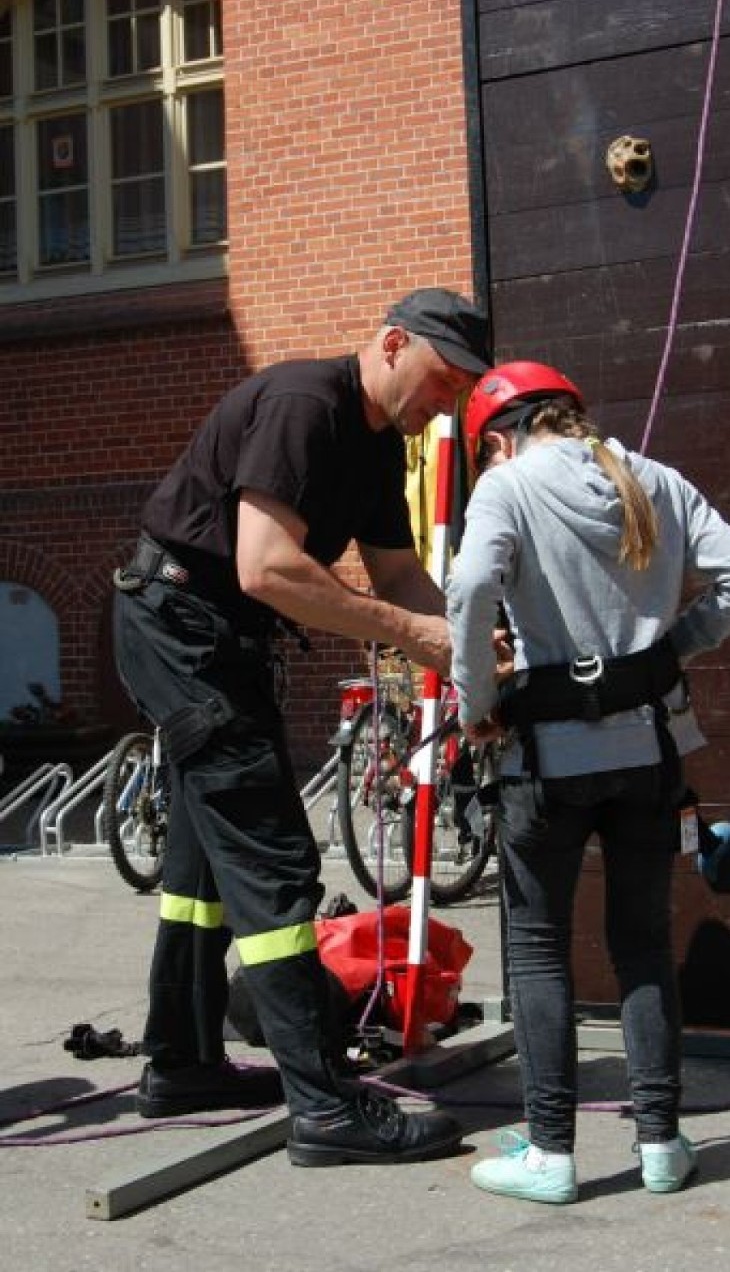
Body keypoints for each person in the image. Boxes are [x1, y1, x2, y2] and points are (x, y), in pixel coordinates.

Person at [112, 288, 492, 1167]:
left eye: (467, 392)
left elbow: (400, 578)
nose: (451, 406)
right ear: (395, 343)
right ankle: (323, 1104)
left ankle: (183, 1060)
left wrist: (469, 657)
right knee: (273, 856)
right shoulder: (302, 404)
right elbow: (267, 566)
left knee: (203, 861)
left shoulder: (378, 444)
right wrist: (416, 636)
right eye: (446, 381)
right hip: (184, 627)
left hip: (211, 636)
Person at [445, 361, 730, 1203]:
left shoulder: (507, 487)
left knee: (539, 948)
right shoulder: (652, 478)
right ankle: (661, 1143)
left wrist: (477, 702)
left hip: (546, 762)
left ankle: (550, 1153)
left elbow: (474, 584)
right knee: (641, 945)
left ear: (496, 437)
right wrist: (674, 649)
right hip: (645, 754)